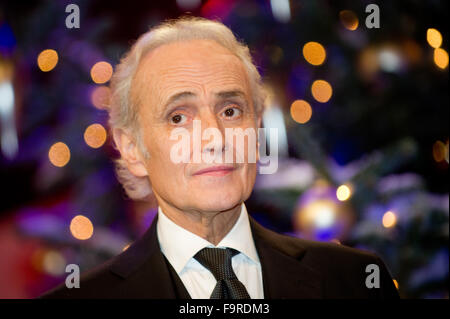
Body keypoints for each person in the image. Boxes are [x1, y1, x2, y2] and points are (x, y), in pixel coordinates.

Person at [42, 16, 399, 299]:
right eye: (178, 117)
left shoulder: (354, 282)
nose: (215, 137)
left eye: (230, 111)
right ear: (132, 149)